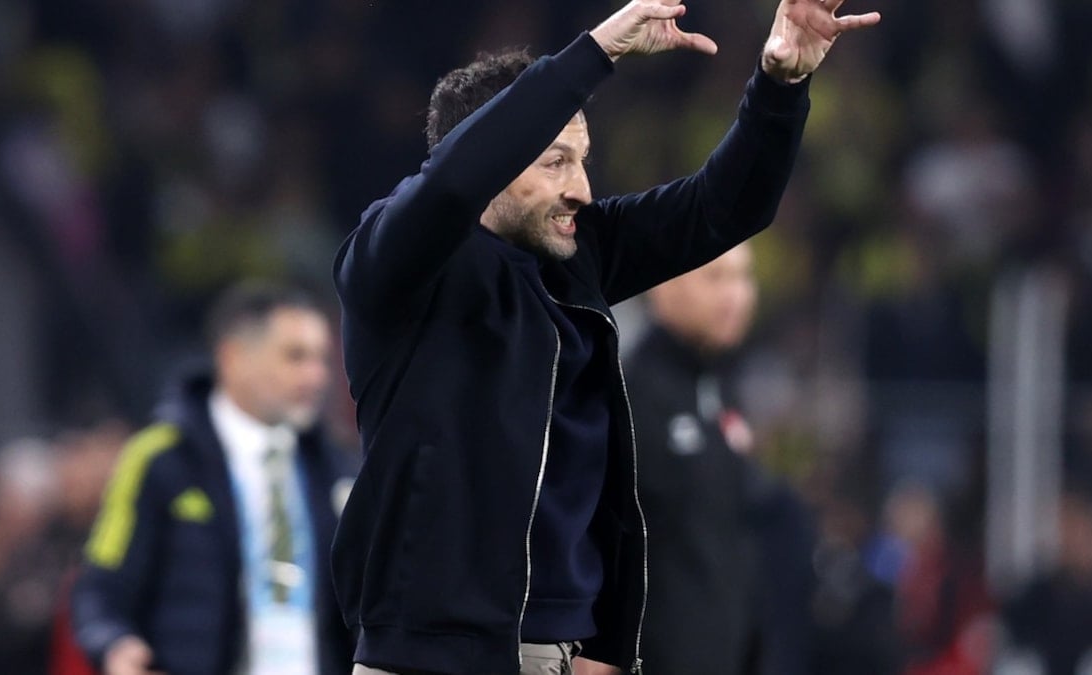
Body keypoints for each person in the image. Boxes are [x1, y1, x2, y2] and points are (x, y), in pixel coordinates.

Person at [331, 1, 880, 673]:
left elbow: (721, 209)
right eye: (556, 161)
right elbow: (449, 186)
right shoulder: (392, 265)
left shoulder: (576, 259)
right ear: (490, 151)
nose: (582, 190)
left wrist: (779, 87)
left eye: (583, 160)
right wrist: (595, 52)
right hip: (429, 657)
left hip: (562, 652)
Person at [72, 282, 355, 675]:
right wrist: (115, 645)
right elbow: (102, 587)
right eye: (295, 357)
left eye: (322, 359)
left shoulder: (336, 468)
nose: (316, 377)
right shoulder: (161, 458)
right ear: (233, 357)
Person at [626, 243, 819, 675]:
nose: (736, 295)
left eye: (744, 277)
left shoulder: (718, 388)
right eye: (716, 278)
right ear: (662, 286)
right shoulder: (633, 395)